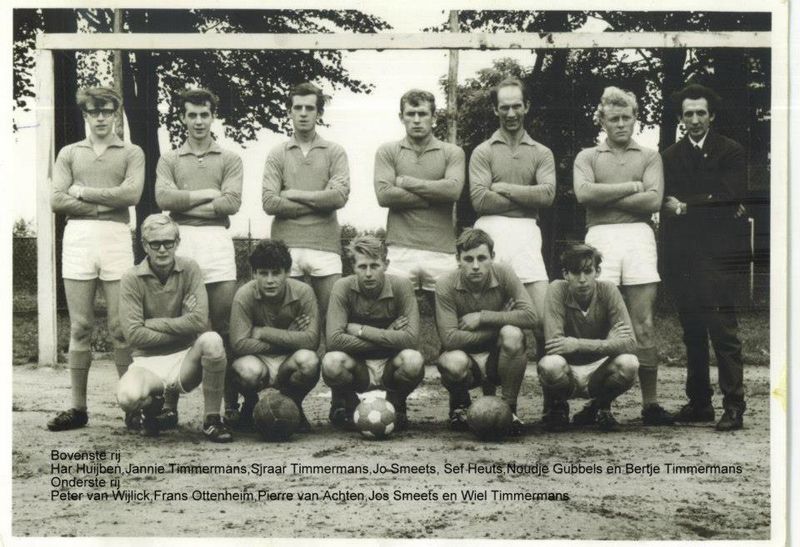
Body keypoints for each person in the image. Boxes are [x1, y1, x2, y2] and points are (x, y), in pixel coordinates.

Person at [572, 86, 674, 426]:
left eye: (626, 118)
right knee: (602, 323)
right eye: (613, 118)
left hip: (639, 237)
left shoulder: (649, 156)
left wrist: (606, 196)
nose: (620, 124)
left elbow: (653, 201)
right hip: (600, 237)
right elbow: (584, 194)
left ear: (635, 119)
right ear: (602, 120)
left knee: (643, 323)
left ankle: (651, 404)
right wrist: (631, 187)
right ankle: (601, 404)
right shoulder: (587, 156)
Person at [48, 86, 145, 431]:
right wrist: (106, 204)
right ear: (86, 115)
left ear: (116, 113)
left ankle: (132, 406)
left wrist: (85, 193)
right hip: (79, 238)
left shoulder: (131, 152)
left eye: (107, 111)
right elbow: (57, 200)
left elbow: (131, 194)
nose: (101, 117)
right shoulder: (70, 152)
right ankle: (78, 408)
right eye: (93, 111)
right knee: (80, 326)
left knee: (120, 328)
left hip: (116, 238)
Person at [661, 83, 749, 431]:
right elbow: (665, 202)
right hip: (683, 258)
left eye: (701, 113)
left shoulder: (731, 151)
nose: (695, 119)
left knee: (723, 332)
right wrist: (707, 203)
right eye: (689, 114)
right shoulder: (669, 157)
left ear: (712, 116)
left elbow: (729, 198)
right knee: (693, 332)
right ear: (681, 118)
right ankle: (699, 403)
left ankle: (734, 405)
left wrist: (685, 206)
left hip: (719, 257)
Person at [155, 87, 243, 426]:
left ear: (213, 116)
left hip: (217, 241)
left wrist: (185, 202)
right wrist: (208, 194)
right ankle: (169, 404)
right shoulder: (170, 159)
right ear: (182, 118)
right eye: (191, 115)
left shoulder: (230, 158)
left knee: (222, 326)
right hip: (181, 241)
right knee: (178, 321)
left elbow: (231, 203)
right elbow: (164, 199)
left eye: (204, 114)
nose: (198, 121)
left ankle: (229, 404)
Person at [116, 214, 232, 442]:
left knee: (212, 340)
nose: (162, 249)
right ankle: (153, 406)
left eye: (168, 243)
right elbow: (134, 335)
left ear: (177, 242)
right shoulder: (131, 277)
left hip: (184, 359)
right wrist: (183, 325)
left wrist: (152, 323)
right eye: (155, 244)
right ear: (144, 245)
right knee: (127, 398)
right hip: (147, 362)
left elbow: (199, 321)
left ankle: (211, 420)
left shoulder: (190, 268)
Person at [468, 77, 556, 352]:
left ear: (526, 106)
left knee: (543, 321)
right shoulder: (482, 151)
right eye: (504, 107)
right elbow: (480, 200)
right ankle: (493, 379)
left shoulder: (542, 152)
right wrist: (527, 199)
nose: (511, 113)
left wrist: (504, 188)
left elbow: (547, 195)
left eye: (516, 106)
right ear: (495, 109)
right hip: (489, 237)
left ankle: (550, 379)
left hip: (527, 236)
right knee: (493, 321)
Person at [262, 82, 350, 325]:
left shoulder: (335, 151)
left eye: (309, 108)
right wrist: (320, 202)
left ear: (319, 113)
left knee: (332, 321)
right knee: (289, 322)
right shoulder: (277, 153)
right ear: (289, 111)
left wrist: (292, 194)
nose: (303, 113)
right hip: (286, 245)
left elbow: (338, 197)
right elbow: (269, 202)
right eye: (297, 107)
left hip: (325, 244)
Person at [434, 228, 536, 434]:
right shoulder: (445, 283)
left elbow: (531, 316)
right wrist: (498, 324)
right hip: (464, 356)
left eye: (482, 258)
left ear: (492, 257)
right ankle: (460, 407)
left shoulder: (504, 273)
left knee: (513, 335)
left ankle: (509, 410)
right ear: (458, 259)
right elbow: (450, 339)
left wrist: (483, 317)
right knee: (453, 361)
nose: (475, 266)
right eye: (468, 259)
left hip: (497, 357)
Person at [322, 235, 423, 431]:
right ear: (353, 267)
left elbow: (411, 340)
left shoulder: (402, 286)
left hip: (390, 365)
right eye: (362, 266)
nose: (368, 273)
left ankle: (396, 403)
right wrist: (388, 335)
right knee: (331, 362)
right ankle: (350, 405)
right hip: (357, 365)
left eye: (374, 266)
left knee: (413, 360)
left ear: (386, 264)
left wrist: (361, 330)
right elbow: (333, 341)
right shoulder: (342, 287)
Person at [374, 89, 465, 300]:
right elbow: (384, 195)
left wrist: (406, 182)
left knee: (448, 315)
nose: (416, 120)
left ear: (433, 117)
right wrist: (432, 197)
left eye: (423, 114)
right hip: (399, 249)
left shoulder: (452, 152)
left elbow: (453, 191)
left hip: (442, 249)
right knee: (397, 314)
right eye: (410, 114)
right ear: (401, 117)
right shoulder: (387, 151)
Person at [538, 244, 639, 432]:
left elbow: (631, 344)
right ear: (566, 274)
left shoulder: (608, 290)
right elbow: (554, 345)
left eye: (588, 271)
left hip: (599, 369)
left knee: (629, 363)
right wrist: (609, 343)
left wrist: (577, 344)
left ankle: (600, 406)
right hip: (567, 369)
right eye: (575, 272)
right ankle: (558, 406)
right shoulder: (557, 289)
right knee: (550, 365)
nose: (582, 279)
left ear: (597, 271)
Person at [228, 239, 321, 430]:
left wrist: (264, 332)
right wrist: (289, 337)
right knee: (246, 370)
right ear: (254, 273)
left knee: (309, 361)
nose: (270, 280)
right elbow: (239, 344)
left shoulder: (304, 292)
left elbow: (312, 341)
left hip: (289, 359)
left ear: (287, 272)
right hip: (258, 359)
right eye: (263, 273)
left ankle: (293, 405)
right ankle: (250, 403)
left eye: (276, 273)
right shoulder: (244, 295)